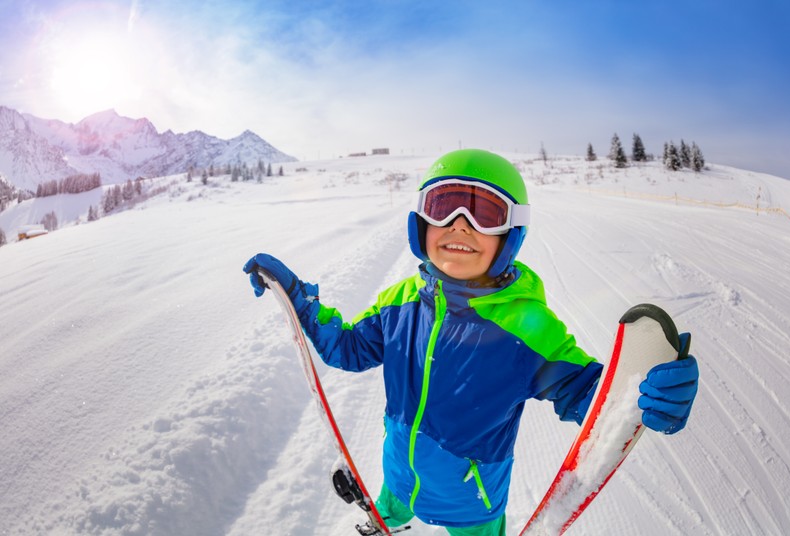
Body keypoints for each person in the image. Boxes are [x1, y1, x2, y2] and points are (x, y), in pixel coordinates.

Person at [243, 149, 699, 536]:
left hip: (473, 502)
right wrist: (302, 303)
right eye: (443, 208)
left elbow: (588, 396)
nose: (460, 225)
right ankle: (391, 519)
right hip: (399, 472)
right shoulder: (400, 302)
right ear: (420, 225)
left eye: (484, 213)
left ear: (509, 234)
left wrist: (642, 398)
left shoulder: (525, 325)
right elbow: (347, 349)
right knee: (393, 499)